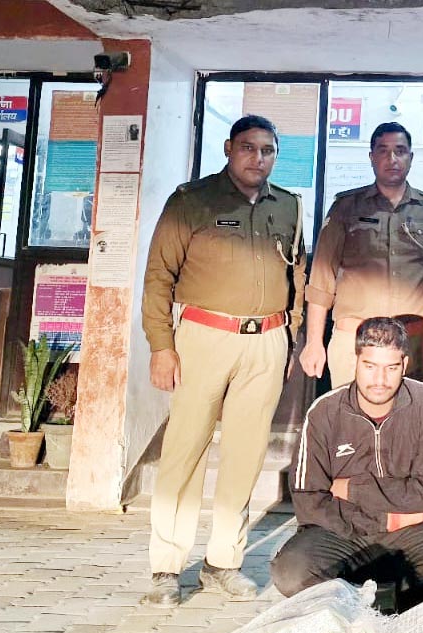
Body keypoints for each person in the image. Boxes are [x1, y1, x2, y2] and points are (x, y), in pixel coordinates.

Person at [139, 114, 306, 605]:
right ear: (229, 148)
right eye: (249, 148)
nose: (259, 158)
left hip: (267, 340)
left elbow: (299, 277)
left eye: (268, 150)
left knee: (246, 453)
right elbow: (158, 277)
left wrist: (290, 338)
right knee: (184, 450)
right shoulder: (191, 201)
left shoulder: (289, 207)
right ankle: (166, 568)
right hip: (203, 337)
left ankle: (223, 562)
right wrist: (161, 345)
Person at [273, 317, 423, 611]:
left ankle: (404, 606)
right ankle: (350, 609)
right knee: (292, 573)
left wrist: (353, 489)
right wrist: (385, 520)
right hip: (343, 530)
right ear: (356, 361)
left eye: (391, 368)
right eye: (370, 366)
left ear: (405, 364)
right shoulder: (325, 411)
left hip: (414, 530)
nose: (380, 380)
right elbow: (308, 500)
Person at [299, 122, 423, 388]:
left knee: (410, 411)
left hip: (412, 340)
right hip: (353, 338)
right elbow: (321, 280)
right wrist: (314, 342)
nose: (392, 158)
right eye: (383, 151)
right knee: (349, 411)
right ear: (371, 156)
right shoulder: (346, 207)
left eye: (400, 151)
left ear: (411, 157)